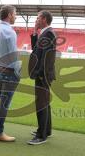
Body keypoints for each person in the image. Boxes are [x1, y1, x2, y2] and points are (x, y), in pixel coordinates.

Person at [0, 5, 21, 142]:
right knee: (4, 103)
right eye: (15, 14)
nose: (16, 16)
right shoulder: (10, 32)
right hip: (9, 71)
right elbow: (13, 56)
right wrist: (18, 70)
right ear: (10, 15)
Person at [28, 10, 56, 145]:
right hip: (43, 74)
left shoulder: (49, 33)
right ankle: (47, 130)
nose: (36, 20)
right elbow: (36, 51)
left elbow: (47, 57)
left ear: (44, 19)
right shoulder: (44, 33)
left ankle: (41, 135)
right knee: (44, 102)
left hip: (43, 75)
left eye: (38, 17)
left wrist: (40, 74)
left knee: (41, 103)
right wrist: (34, 32)